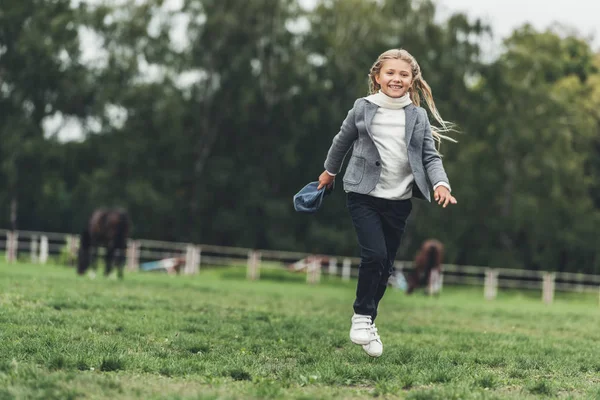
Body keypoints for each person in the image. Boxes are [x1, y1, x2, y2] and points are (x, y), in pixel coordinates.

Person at [317, 49, 457, 357]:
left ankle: (369, 321)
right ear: (377, 77)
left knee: (386, 266)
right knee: (375, 256)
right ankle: (361, 315)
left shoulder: (417, 116)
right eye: (390, 73)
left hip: (399, 201)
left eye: (403, 74)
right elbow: (341, 142)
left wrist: (441, 184)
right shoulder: (362, 108)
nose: (396, 78)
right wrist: (329, 173)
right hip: (363, 195)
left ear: (412, 80)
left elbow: (429, 156)